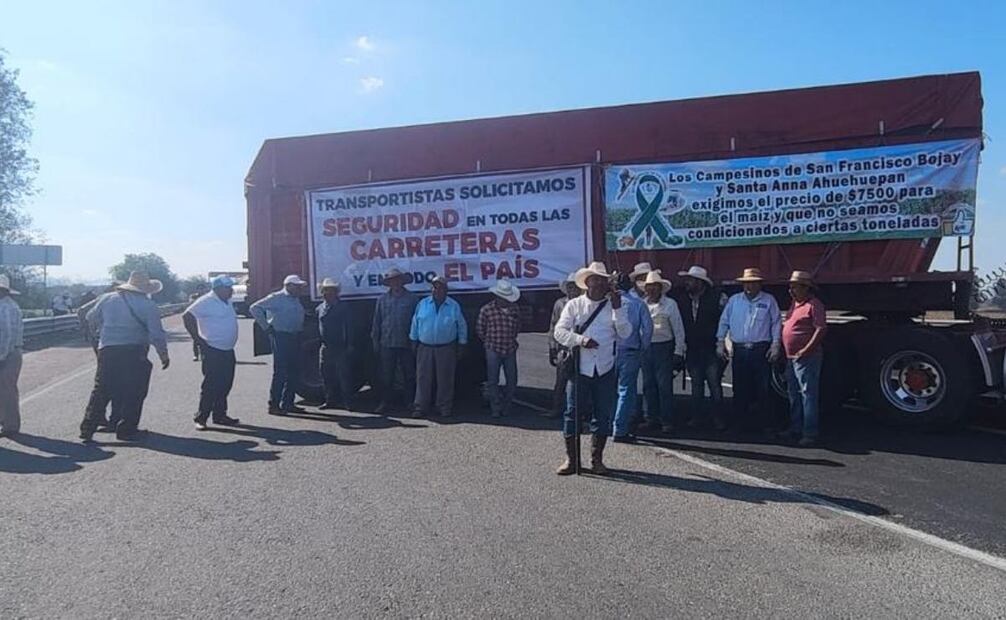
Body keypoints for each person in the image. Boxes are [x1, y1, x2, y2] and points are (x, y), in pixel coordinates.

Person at [553, 261, 632, 475]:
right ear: (586, 282)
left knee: (602, 414)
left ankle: (597, 460)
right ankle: (572, 460)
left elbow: (625, 333)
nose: (597, 283)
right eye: (593, 279)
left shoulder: (619, 304)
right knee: (572, 413)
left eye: (601, 280)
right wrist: (580, 340)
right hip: (580, 367)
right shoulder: (574, 304)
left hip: (605, 367)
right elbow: (559, 332)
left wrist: (617, 308)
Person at [79, 271, 170, 441]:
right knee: (134, 391)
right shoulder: (148, 305)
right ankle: (127, 428)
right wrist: (163, 355)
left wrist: (99, 336)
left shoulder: (107, 298)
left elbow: (90, 317)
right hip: (134, 351)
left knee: (101, 389)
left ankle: (87, 427)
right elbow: (156, 334)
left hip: (108, 349)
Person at [717, 267, 782, 432]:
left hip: (760, 349)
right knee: (739, 388)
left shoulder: (769, 301)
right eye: (746, 283)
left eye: (753, 283)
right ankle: (739, 424)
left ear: (759, 284)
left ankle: (767, 425)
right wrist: (720, 342)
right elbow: (724, 322)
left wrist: (775, 345)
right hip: (740, 350)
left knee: (764, 389)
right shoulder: (734, 301)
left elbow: (776, 323)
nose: (749, 287)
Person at [183, 275, 241, 430]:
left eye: (231, 287)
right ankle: (201, 417)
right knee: (211, 385)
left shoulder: (227, 300)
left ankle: (220, 415)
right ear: (218, 289)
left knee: (225, 384)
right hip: (212, 349)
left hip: (227, 349)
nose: (231, 290)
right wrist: (198, 339)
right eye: (228, 288)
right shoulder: (206, 301)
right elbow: (187, 316)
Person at [675, 265, 728, 430]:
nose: (687, 283)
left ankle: (718, 418)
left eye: (691, 280)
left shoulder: (718, 298)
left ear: (700, 282)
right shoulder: (683, 300)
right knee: (696, 385)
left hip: (711, 349)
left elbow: (726, 322)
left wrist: (722, 344)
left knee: (714, 385)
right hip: (693, 349)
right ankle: (697, 417)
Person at [780, 271, 827, 447]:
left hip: (807, 356)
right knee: (793, 394)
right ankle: (795, 428)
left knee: (808, 394)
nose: (791, 290)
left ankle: (809, 432)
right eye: (790, 286)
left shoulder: (814, 305)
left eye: (794, 286)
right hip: (791, 357)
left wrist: (806, 349)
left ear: (805, 288)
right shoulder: (795, 304)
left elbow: (820, 329)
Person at [410, 276, 467, 418]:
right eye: (435, 287)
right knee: (422, 378)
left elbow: (462, 326)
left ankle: (444, 407)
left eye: (441, 287)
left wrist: (462, 344)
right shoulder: (423, 304)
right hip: (425, 346)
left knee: (445, 378)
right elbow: (415, 323)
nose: (437, 290)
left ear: (446, 289)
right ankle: (420, 407)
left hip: (446, 347)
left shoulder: (453, 305)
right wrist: (413, 340)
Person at [250, 274, 307, 415]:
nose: (300, 288)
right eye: (297, 286)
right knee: (280, 371)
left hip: (294, 336)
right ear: (288, 286)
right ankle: (274, 405)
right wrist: (266, 327)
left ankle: (288, 403)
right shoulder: (276, 298)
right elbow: (254, 308)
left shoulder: (295, 298)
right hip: (281, 336)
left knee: (294, 371)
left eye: (300, 286)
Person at [638, 270, 686, 434]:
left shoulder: (670, 304)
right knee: (648, 385)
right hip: (646, 347)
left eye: (655, 287)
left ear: (660, 288)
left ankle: (667, 420)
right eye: (649, 287)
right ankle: (650, 418)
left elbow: (678, 328)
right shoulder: (641, 304)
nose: (652, 290)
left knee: (664, 386)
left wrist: (679, 351)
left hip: (664, 347)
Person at [611, 271, 653, 443]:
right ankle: (620, 429)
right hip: (630, 350)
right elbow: (648, 329)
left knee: (607, 389)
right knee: (626, 390)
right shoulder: (638, 304)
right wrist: (642, 347)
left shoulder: (607, 304)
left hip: (610, 351)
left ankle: (605, 424)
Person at [371, 267, 419, 413]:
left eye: (398, 280)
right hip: (387, 341)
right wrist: (375, 340)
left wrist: (415, 341)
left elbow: (417, 321)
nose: (396, 283)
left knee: (409, 374)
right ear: (389, 283)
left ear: (402, 281)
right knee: (386, 375)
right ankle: (385, 402)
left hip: (406, 342)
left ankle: (410, 402)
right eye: (392, 281)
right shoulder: (382, 299)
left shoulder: (412, 299)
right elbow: (377, 321)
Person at [78, 282, 120, 431]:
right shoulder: (114, 300)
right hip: (111, 343)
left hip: (101, 343)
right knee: (116, 381)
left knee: (103, 381)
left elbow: (82, 312)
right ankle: (114, 418)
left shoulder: (102, 299)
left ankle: (98, 417)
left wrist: (90, 332)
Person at [476, 279, 521, 418]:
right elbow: (480, 328)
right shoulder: (486, 309)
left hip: (510, 347)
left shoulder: (515, 309)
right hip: (493, 348)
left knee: (512, 380)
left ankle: (506, 406)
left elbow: (518, 326)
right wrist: (488, 342)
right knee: (493, 380)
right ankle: (495, 407)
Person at [317, 277, 354, 411]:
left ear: (336, 292)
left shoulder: (343, 307)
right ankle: (329, 400)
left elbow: (349, 327)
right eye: (326, 290)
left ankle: (348, 401)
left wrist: (350, 343)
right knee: (326, 375)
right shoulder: (320, 308)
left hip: (340, 345)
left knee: (344, 375)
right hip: (325, 346)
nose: (328, 293)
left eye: (331, 290)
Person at [547, 273, 580, 418]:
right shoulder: (559, 303)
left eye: (575, 286)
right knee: (560, 381)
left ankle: (578, 411)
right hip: (563, 348)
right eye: (570, 286)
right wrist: (551, 346)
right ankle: (556, 409)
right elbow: (553, 325)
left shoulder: (583, 303)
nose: (572, 289)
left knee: (579, 382)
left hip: (580, 346)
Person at [0, 275, 24, 438]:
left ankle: (10, 425)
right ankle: (7, 421)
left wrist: (1, 356)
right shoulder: (9, 305)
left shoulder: (5, 308)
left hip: (7, 353)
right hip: (10, 351)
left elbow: (6, 334)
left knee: (7, 390)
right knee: (6, 390)